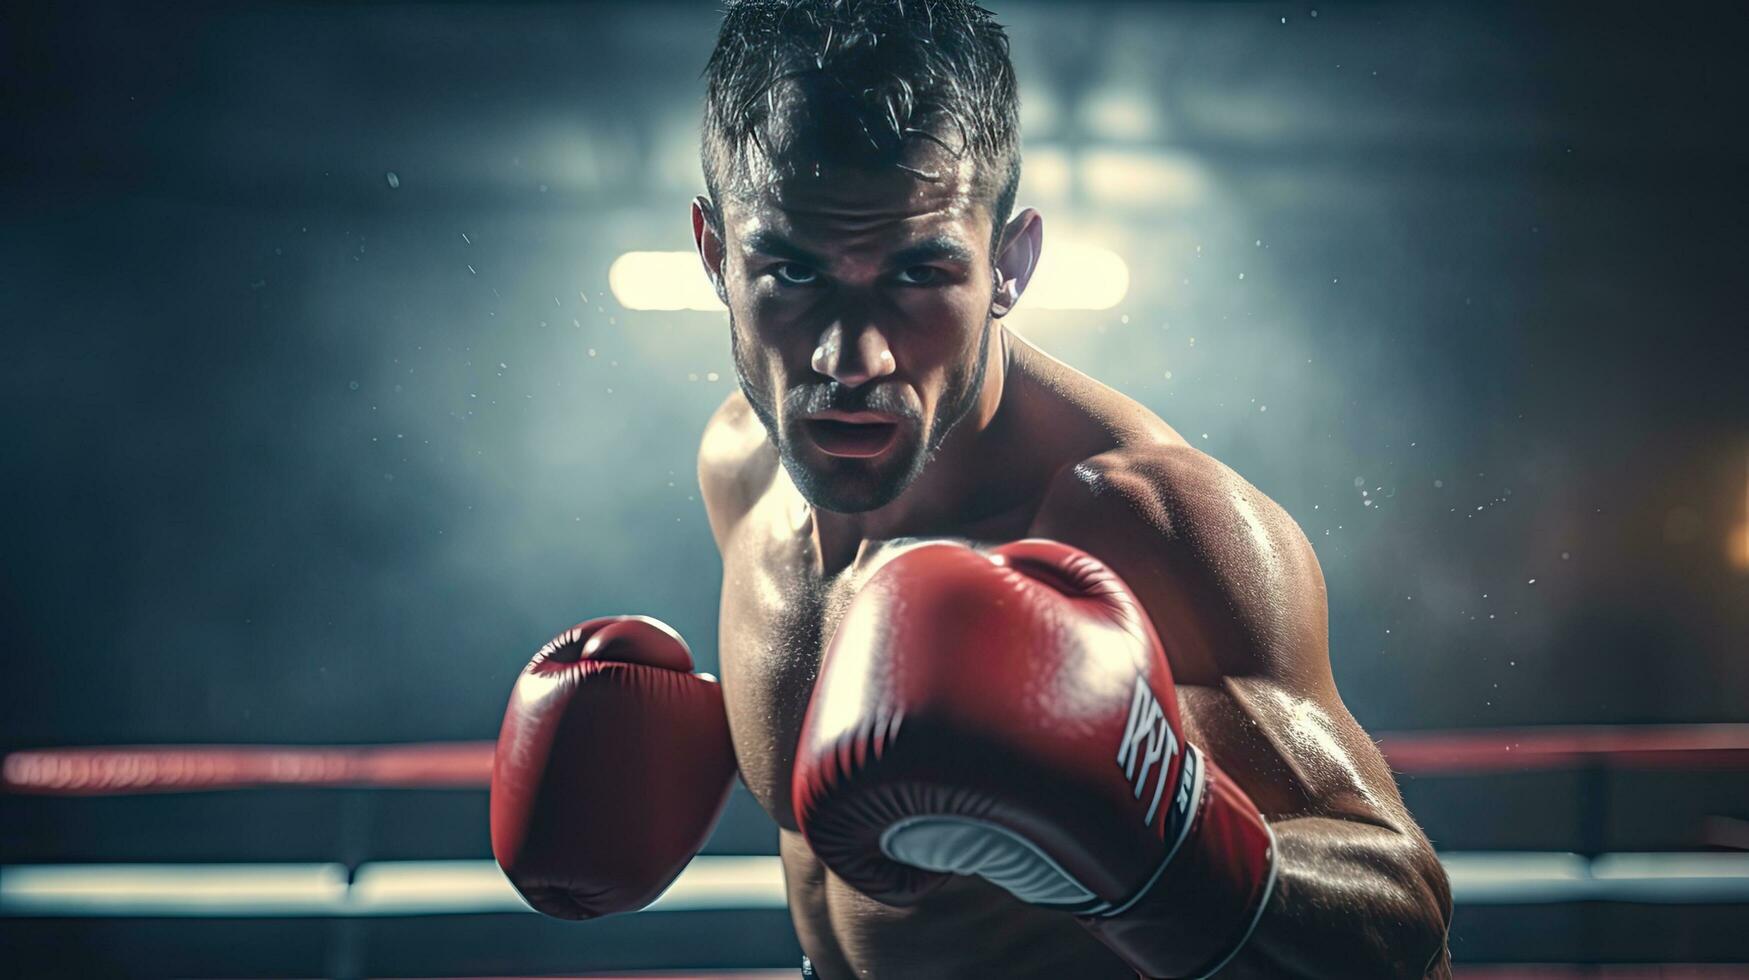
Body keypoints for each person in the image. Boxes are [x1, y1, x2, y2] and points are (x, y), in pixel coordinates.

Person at [490, 2, 1453, 976]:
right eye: (792, 270)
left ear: (1011, 264)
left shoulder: (1139, 525)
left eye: (917, 273)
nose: (850, 356)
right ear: (713, 255)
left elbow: (1404, 921)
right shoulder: (742, 464)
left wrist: (1163, 846)